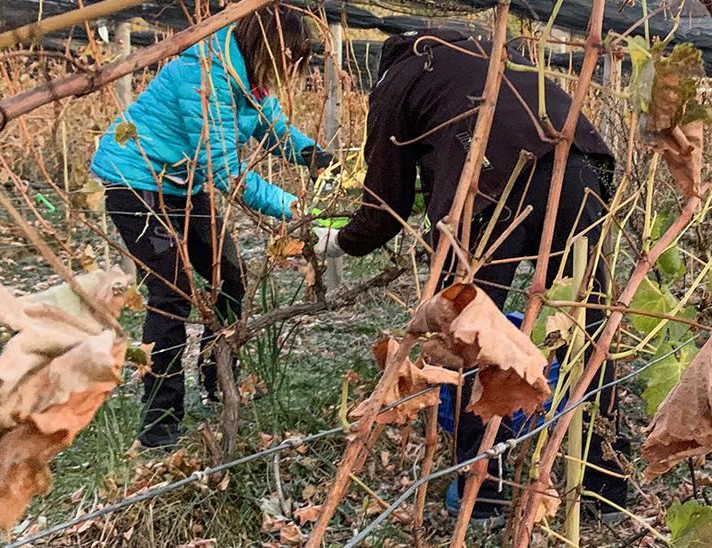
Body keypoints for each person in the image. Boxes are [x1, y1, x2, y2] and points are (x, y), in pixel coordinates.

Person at [314, 29, 626, 522]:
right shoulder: (491, 47)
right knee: (590, 324)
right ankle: (607, 481)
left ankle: (483, 494)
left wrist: (338, 241)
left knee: (471, 334)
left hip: (493, 187)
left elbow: (384, 203)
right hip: (584, 170)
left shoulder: (399, 78)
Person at [90, 5, 335, 448]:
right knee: (172, 294)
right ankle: (159, 421)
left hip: (185, 183)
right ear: (270, 50)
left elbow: (274, 129)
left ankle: (215, 380)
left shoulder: (252, 82)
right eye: (290, 60)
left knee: (230, 279)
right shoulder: (206, 75)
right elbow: (226, 171)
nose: (291, 70)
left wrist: (315, 157)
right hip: (137, 181)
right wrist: (293, 206)